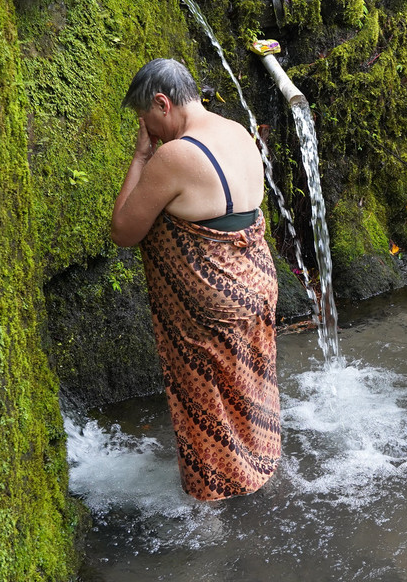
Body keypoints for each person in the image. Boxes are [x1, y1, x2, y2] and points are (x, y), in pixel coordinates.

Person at [111, 58, 281, 501]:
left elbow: (125, 231)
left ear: (161, 104)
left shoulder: (174, 155)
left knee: (204, 401)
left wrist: (141, 156)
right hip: (259, 285)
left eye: (144, 118)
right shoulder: (237, 131)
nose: (146, 128)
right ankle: (258, 473)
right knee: (247, 388)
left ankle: (212, 503)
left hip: (213, 300)